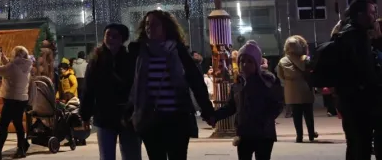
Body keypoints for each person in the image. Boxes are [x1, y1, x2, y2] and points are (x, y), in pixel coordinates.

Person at [128, 10, 214, 160]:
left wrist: (207, 111)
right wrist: (128, 112)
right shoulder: (139, 52)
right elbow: (132, 86)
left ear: (165, 27)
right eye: (147, 24)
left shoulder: (178, 51)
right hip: (150, 120)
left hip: (176, 119)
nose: (149, 27)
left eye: (155, 24)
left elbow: (196, 82)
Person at [211, 41, 284, 160]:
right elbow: (231, 106)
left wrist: (265, 120)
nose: (245, 64)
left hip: (264, 134)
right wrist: (214, 116)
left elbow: (277, 104)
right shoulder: (238, 84)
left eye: (249, 61)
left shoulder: (267, 81)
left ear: (256, 63)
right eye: (242, 61)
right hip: (244, 133)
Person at [80, 23, 141, 160]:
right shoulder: (96, 61)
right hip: (104, 117)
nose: (111, 39)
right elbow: (88, 90)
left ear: (123, 39)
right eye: (108, 35)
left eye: (115, 36)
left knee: (132, 155)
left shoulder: (130, 59)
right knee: (107, 156)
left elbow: (137, 87)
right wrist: (85, 115)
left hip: (128, 117)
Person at [331, 0, 380, 160]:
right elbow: (364, 71)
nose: (374, 16)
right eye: (371, 12)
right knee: (360, 145)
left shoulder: (347, 34)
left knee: (355, 144)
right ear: (360, 15)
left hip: (350, 100)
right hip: (358, 102)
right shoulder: (355, 36)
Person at [0, 46, 32, 160]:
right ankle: (21, 148)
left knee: (3, 125)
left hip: (11, 100)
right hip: (21, 99)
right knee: (18, 124)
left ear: (16, 54)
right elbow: (11, 67)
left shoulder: (12, 67)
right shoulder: (26, 65)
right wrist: (4, 57)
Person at [275, 36, 317, 143]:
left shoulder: (283, 61)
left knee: (296, 115)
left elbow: (280, 75)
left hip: (291, 91)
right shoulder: (305, 59)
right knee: (308, 114)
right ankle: (311, 134)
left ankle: (299, 136)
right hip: (305, 89)